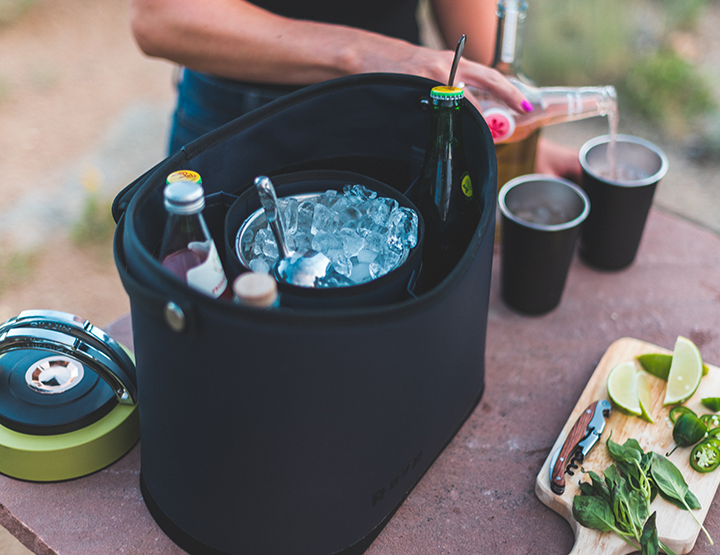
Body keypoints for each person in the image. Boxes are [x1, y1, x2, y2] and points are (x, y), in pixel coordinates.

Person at [129, 0, 580, 180]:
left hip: (400, 106)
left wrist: (502, 119)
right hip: (238, 116)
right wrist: (362, 55)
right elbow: (160, 18)